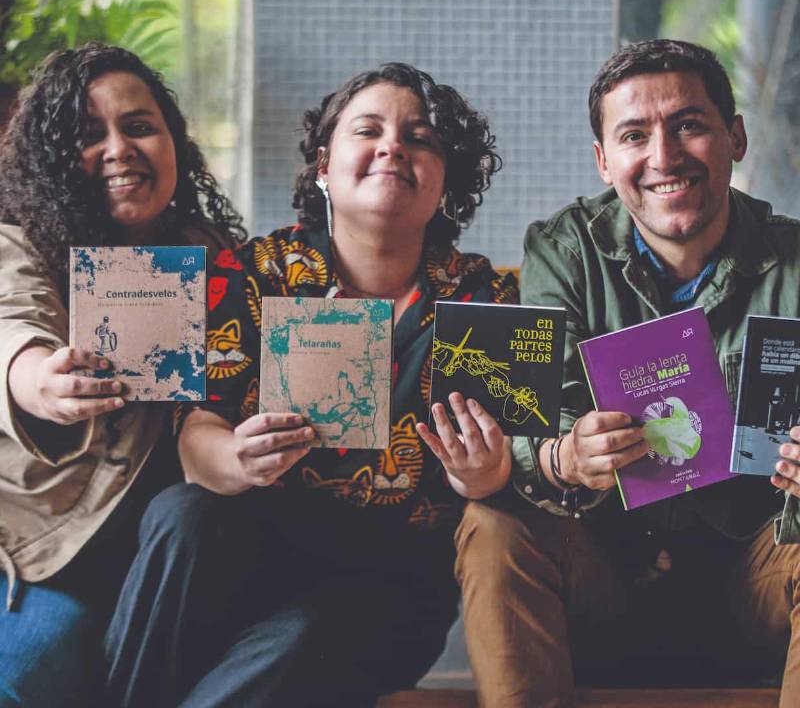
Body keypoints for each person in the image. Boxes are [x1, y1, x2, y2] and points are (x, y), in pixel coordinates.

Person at [103, 62, 518, 707]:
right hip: (253, 546)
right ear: (325, 166)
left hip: (389, 578)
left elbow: (512, 468)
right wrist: (237, 460)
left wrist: (484, 476)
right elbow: (195, 434)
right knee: (179, 511)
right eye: (369, 130)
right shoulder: (253, 273)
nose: (393, 147)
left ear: (447, 178)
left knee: (303, 635)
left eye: (421, 138)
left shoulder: (486, 300)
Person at [455, 39, 800, 708]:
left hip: (757, 575)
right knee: (492, 524)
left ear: (735, 137)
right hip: (608, 572)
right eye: (635, 135)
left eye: (689, 124)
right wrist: (565, 455)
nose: (664, 157)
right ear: (604, 161)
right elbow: (522, 427)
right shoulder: (562, 250)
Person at [0, 42, 246, 707]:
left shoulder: (216, 258)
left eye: (138, 126)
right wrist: (42, 383)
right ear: (51, 161)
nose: (118, 148)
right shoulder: (19, 242)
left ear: (173, 142)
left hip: (168, 561)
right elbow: (11, 326)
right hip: (38, 557)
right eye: (88, 136)